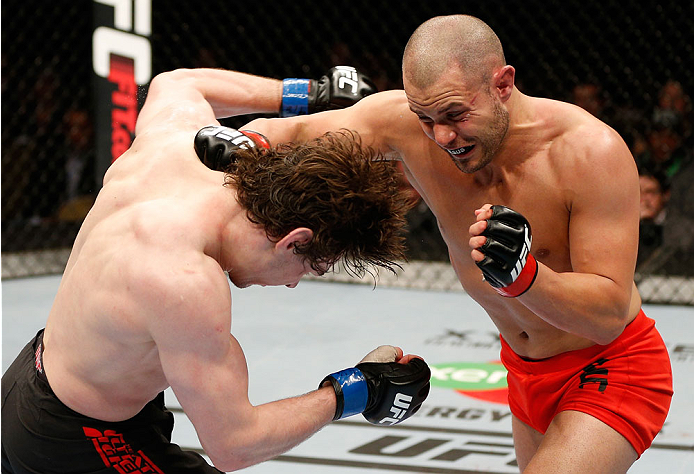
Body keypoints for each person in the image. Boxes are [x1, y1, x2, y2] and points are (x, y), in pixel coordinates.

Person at [202, 14, 674, 473]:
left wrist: (526, 277)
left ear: (503, 84)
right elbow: (297, 133)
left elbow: (609, 314)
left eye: (455, 115)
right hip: (524, 369)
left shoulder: (588, 152)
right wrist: (250, 144)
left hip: (612, 365)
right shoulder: (408, 128)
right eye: (425, 118)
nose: (443, 136)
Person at [1, 67, 433, 473]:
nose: (292, 281)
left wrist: (307, 93)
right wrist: (358, 389)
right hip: (70, 438)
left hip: (34, 374)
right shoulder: (184, 281)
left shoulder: (174, 151)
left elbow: (175, 83)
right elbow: (235, 443)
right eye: (309, 265)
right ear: (293, 239)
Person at [637, 165, 694, 276]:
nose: (643, 199)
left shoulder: (684, 228)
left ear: (665, 195)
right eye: (637, 192)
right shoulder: (621, 225)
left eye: (650, 192)